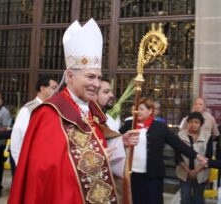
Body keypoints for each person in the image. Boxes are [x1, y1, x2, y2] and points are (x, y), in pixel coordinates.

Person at [8, 18, 140, 204]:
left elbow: (100, 145)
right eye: (90, 77)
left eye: (99, 77)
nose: (96, 83)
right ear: (70, 76)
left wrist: (120, 142)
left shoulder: (92, 110)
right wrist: (94, 161)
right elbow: (43, 171)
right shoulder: (49, 113)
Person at [119, 97, 207, 204]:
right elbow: (116, 139)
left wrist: (196, 156)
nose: (138, 111)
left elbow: (178, 144)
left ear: (150, 110)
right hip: (133, 174)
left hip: (153, 174)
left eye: (142, 109)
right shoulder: (129, 125)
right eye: (136, 108)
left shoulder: (160, 127)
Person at [10, 76, 58, 166]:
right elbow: (17, 138)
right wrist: (21, 163)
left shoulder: (54, 108)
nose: (57, 92)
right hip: (31, 161)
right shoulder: (29, 109)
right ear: (43, 88)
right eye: (54, 88)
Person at [175, 112, 213, 204]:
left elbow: (208, 156)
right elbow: (177, 156)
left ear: (201, 124)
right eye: (191, 122)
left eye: (196, 122)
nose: (193, 124)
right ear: (187, 123)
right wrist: (188, 171)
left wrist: (196, 171)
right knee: (185, 198)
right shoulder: (180, 135)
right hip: (184, 172)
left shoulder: (207, 136)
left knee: (198, 198)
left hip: (201, 172)